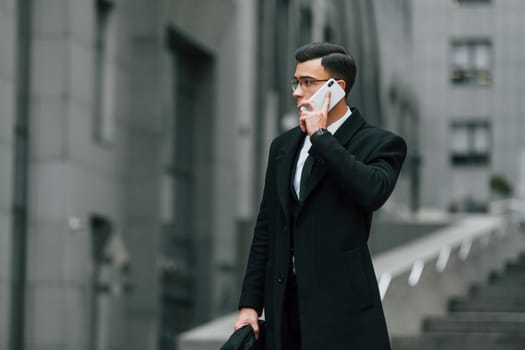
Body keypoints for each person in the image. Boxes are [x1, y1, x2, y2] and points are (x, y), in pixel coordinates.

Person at [234, 42, 407, 350]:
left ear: (336, 87)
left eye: (306, 82)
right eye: (295, 81)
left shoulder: (382, 143)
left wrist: (321, 137)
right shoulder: (283, 147)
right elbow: (267, 228)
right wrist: (250, 304)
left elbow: (373, 192)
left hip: (343, 312)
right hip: (284, 308)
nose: (296, 92)